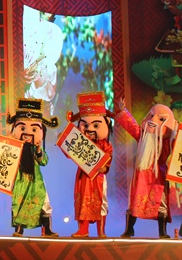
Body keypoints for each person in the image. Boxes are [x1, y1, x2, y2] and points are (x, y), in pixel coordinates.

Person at [114, 97, 179, 238]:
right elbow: (131, 126)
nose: (153, 120)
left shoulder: (168, 141)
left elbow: (178, 147)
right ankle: (129, 229)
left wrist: (177, 130)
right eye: (151, 116)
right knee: (135, 201)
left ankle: (162, 232)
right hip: (141, 176)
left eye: (161, 119)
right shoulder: (142, 136)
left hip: (158, 176)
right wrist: (123, 111)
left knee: (160, 202)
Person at [8, 98, 60, 237]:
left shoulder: (36, 149)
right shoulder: (15, 147)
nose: (27, 133)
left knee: (43, 202)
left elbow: (44, 162)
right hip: (20, 180)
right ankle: (19, 229)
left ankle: (47, 229)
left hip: (37, 181)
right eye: (22, 128)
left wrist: (38, 148)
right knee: (19, 203)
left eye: (34, 129)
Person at [67, 91, 114, 238]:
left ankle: (101, 231)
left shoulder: (105, 144)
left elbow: (108, 158)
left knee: (101, 201)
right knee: (82, 200)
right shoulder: (81, 142)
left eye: (95, 125)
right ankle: (83, 229)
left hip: (98, 178)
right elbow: (69, 152)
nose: (90, 128)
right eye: (85, 124)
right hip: (83, 177)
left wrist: (104, 167)